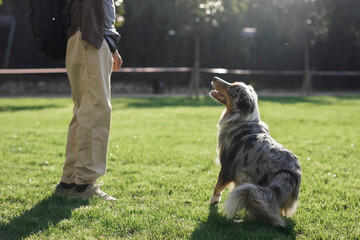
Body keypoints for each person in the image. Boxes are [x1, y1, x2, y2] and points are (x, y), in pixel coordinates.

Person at [54, 0, 123, 201]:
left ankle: (70, 181)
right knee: (96, 109)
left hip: (85, 37)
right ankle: (84, 185)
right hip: (89, 39)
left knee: (84, 110)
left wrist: (112, 48)